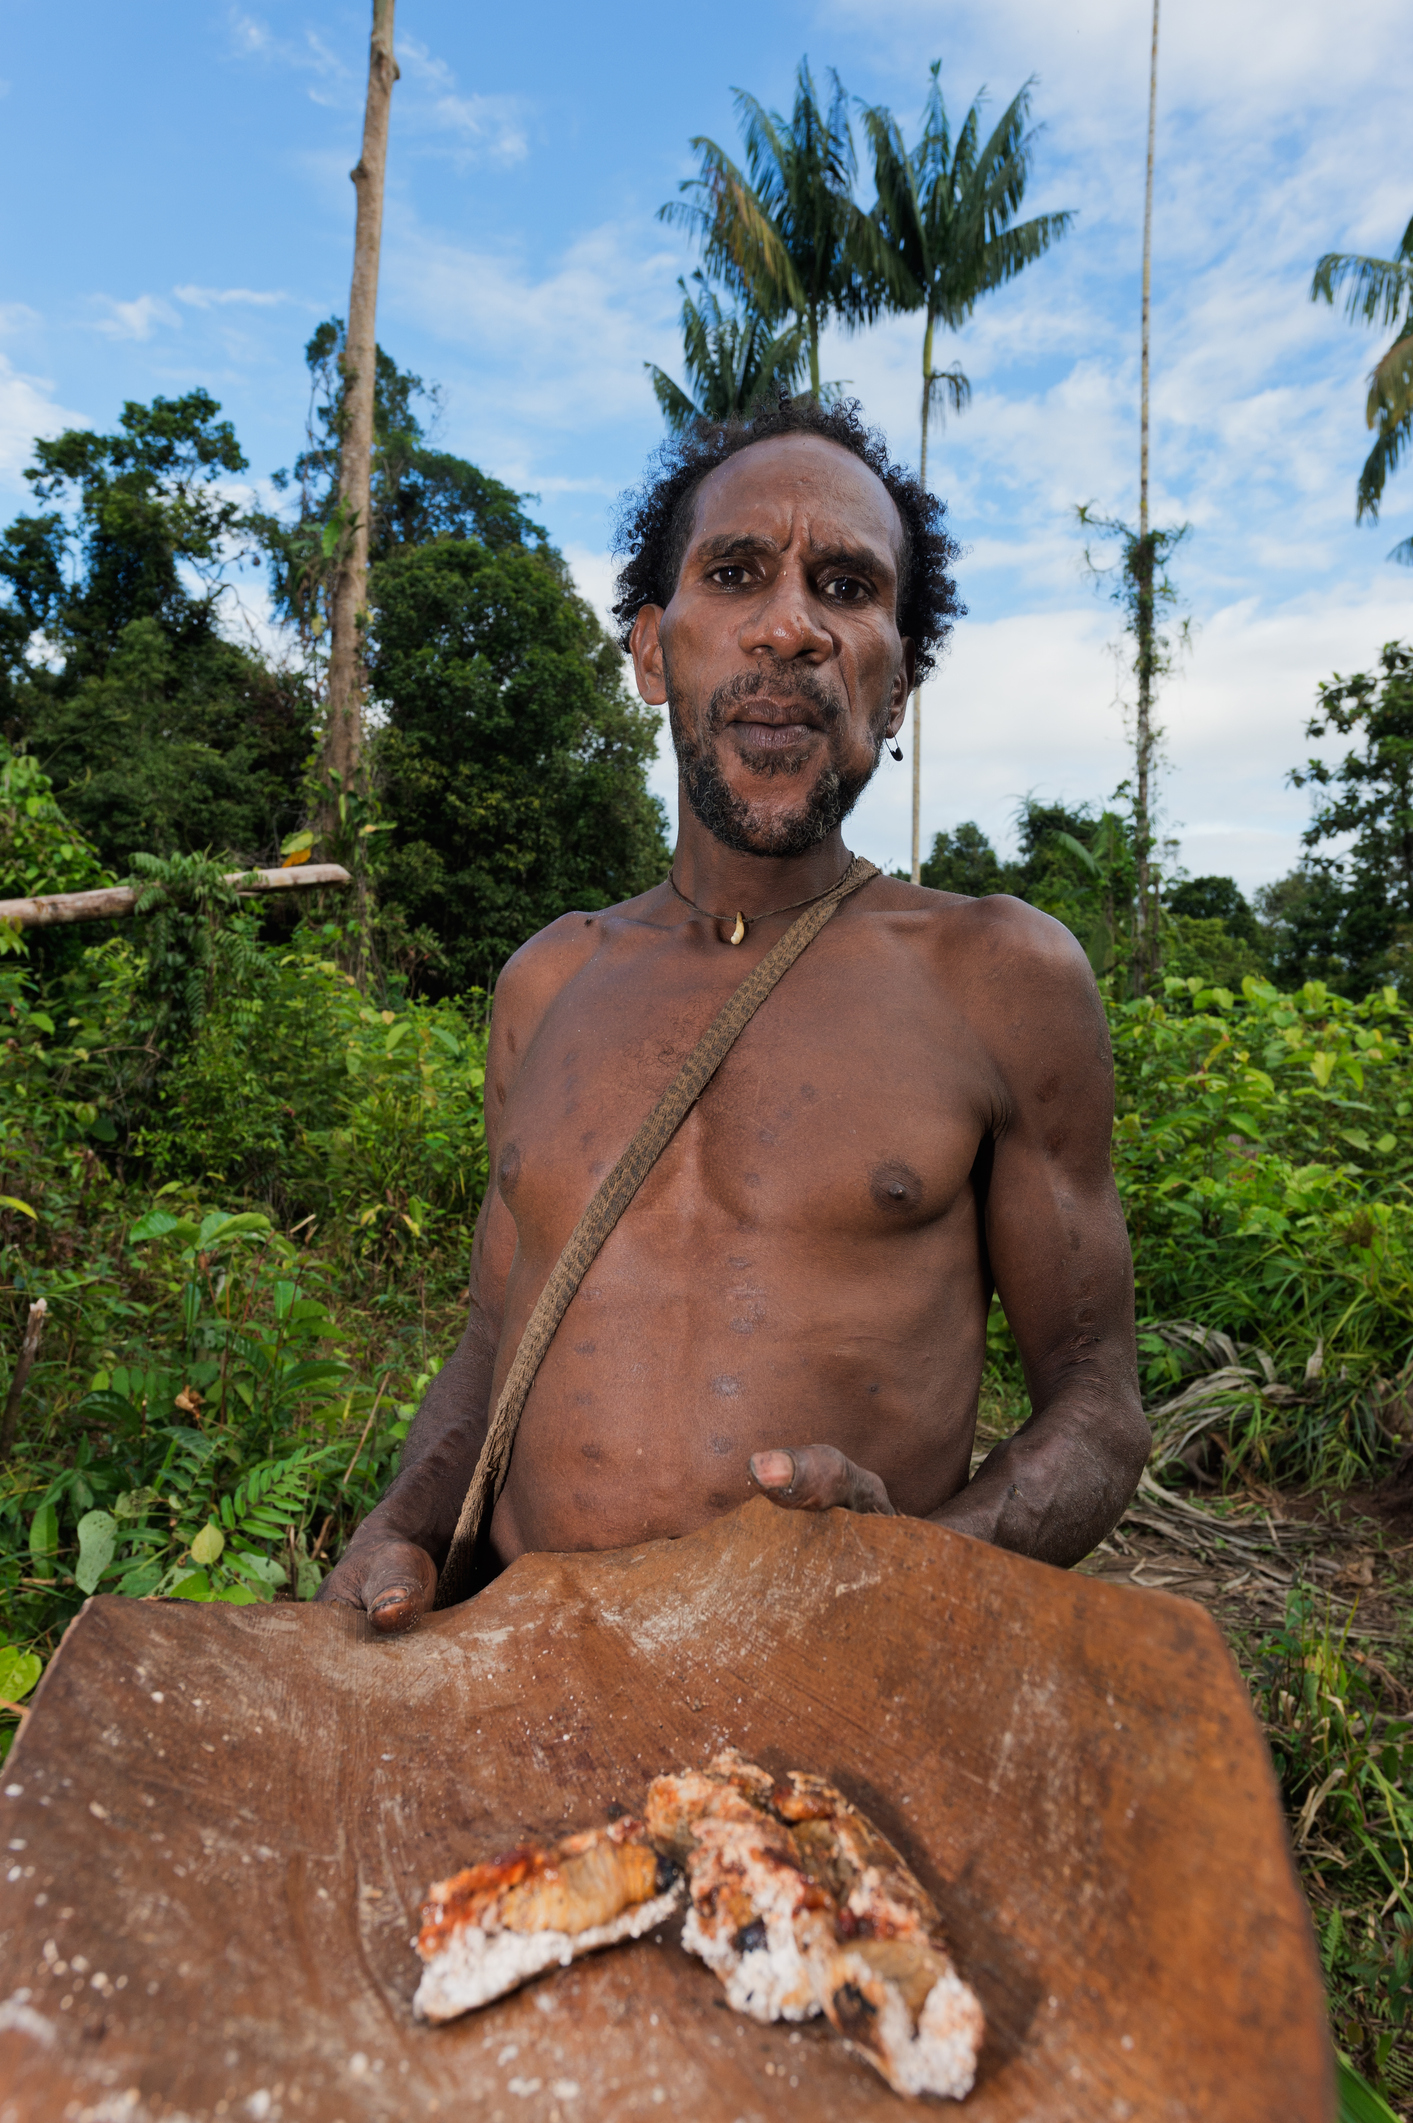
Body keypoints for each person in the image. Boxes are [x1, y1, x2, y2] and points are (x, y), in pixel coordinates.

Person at [320, 396, 1148, 1633]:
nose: (791, 626)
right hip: (522, 1674)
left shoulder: (999, 974)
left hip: (834, 1708)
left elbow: (1096, 1408)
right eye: (738, 572)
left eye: (848, 587)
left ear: (897, 683)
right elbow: (495, 1343)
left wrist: (915, 1570)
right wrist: (400, 1524)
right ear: (655, 653)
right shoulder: (547, 982)